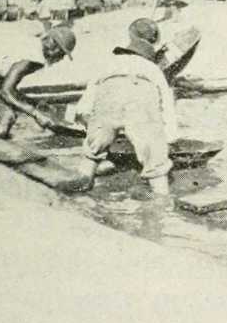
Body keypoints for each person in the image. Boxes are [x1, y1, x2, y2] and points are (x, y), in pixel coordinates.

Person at [74, 18, 176, 194]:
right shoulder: (153, 69)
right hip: (141, 97)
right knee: (156, 163)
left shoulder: (108, 63)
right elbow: (166, 103)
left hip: (108, 94)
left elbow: (87, 101)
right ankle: (162, 202)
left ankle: (80, 188)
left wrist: (90, 124)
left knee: (92, 152)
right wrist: (170, 137)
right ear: (154, 43)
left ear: (129, 38)